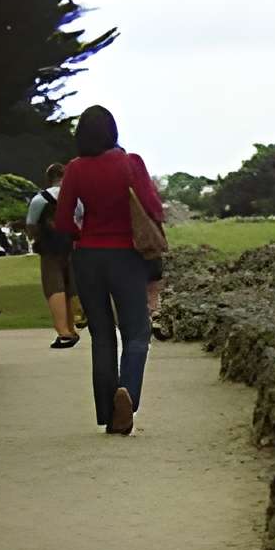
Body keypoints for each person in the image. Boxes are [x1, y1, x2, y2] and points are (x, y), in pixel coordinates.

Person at [53, 104, 164, 434]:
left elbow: (62, 220)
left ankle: (107, 411)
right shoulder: (130, 163)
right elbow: (153, 207)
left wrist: (81, 235)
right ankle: (126, 395)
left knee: (102, 336)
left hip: (88, 257)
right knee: (136, 333)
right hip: (126, 255)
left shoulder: (74, 169)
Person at [23, 162, 81, 346]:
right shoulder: (77, 198)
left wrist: (34, 238)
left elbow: (31, 224)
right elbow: (81, 219)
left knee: (54, 286)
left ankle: (63, 330)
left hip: (49, 247)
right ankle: (75, 323)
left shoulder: (40, 199)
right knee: (72, 284)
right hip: (71, 243)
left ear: (49, 179)